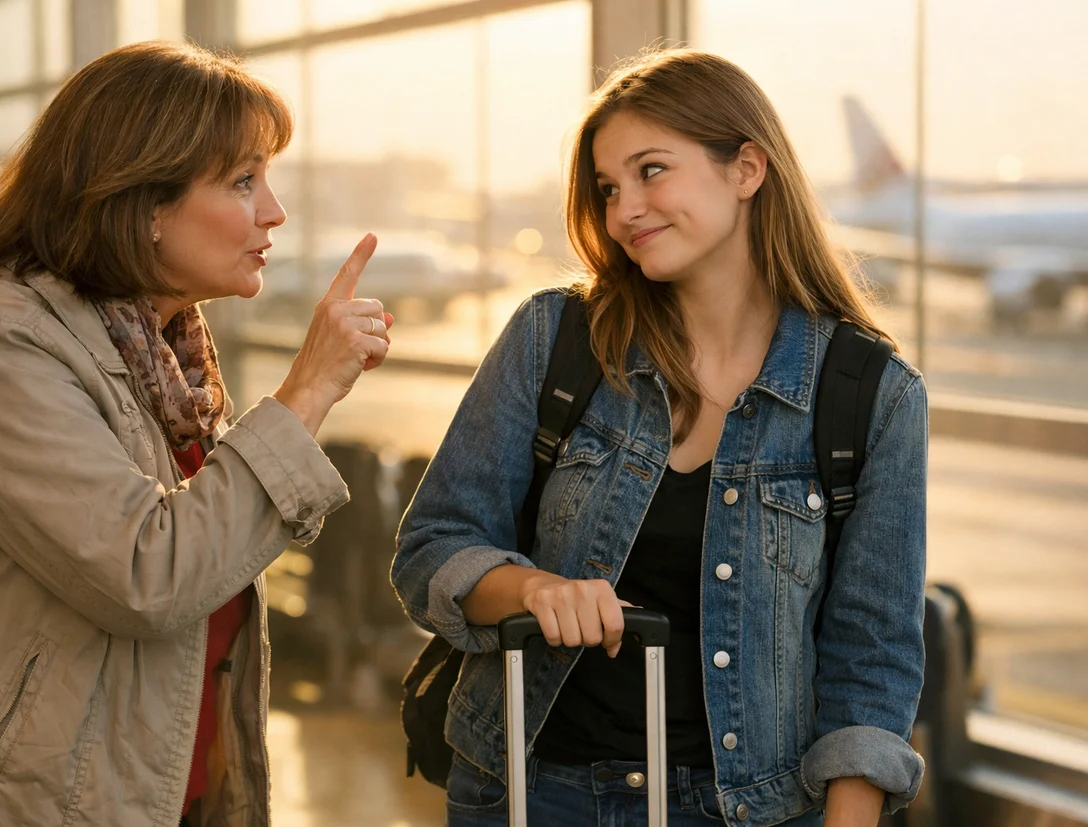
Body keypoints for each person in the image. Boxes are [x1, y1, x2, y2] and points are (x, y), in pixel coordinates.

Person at [0, 41, 393, 827]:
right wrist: (306, 391)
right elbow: (152, 573)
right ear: (143, 203)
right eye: (244, 181)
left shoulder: (162, 355)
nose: (273, 211)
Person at [392, 49, 926, 827]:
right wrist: (534, 589)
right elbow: (432, 546)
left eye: (651, 171)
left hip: (751, 811)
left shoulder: (873, 396)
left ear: (747, 168)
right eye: (608, 188)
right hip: (532, 792)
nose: (623, 210)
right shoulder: (556, 338)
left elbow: (871, 660)